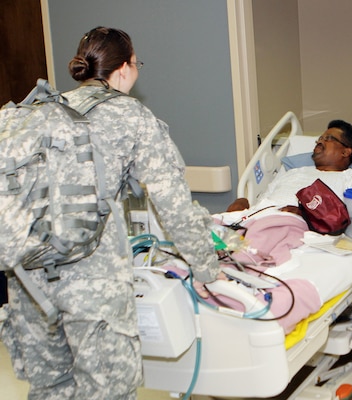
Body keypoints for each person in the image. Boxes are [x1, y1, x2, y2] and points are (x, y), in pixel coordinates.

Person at [0, 27, 222, 399]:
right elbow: (175, 206)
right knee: (107, 392)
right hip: (94, 283)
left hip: (28, 278)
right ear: (125, 68)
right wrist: (205, 267)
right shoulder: (131, 117)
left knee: (49, 388)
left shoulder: (36, 109)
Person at [227, 119, 352, 214]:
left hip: (292, 228)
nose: (320, 141)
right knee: (211, 231)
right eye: (320, 138)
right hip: (258, 221)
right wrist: (244, 205)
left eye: (328, 138)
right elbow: (262, 202)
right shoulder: (293, 173)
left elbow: (345, 219)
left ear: (345, 152)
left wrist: (305, 216)